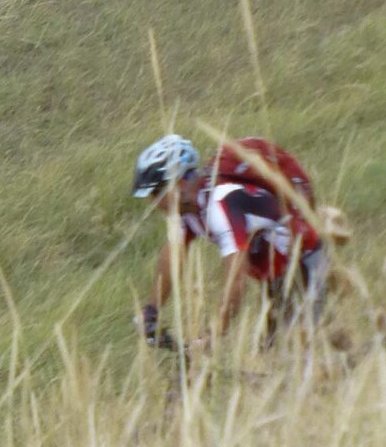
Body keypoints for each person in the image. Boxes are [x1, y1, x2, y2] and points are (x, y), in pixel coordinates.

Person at [132, 131, 328, 349]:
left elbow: (236, 276)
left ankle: (352, 365)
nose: (153, 202)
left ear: (178, 183)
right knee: (271, 352)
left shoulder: (221, 201)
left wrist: (213, 335)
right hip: (274, 273)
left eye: (157, 193)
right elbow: (172, 256)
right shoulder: (188, 209)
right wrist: (151, 311)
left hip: (304, 263)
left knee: (298, 353)